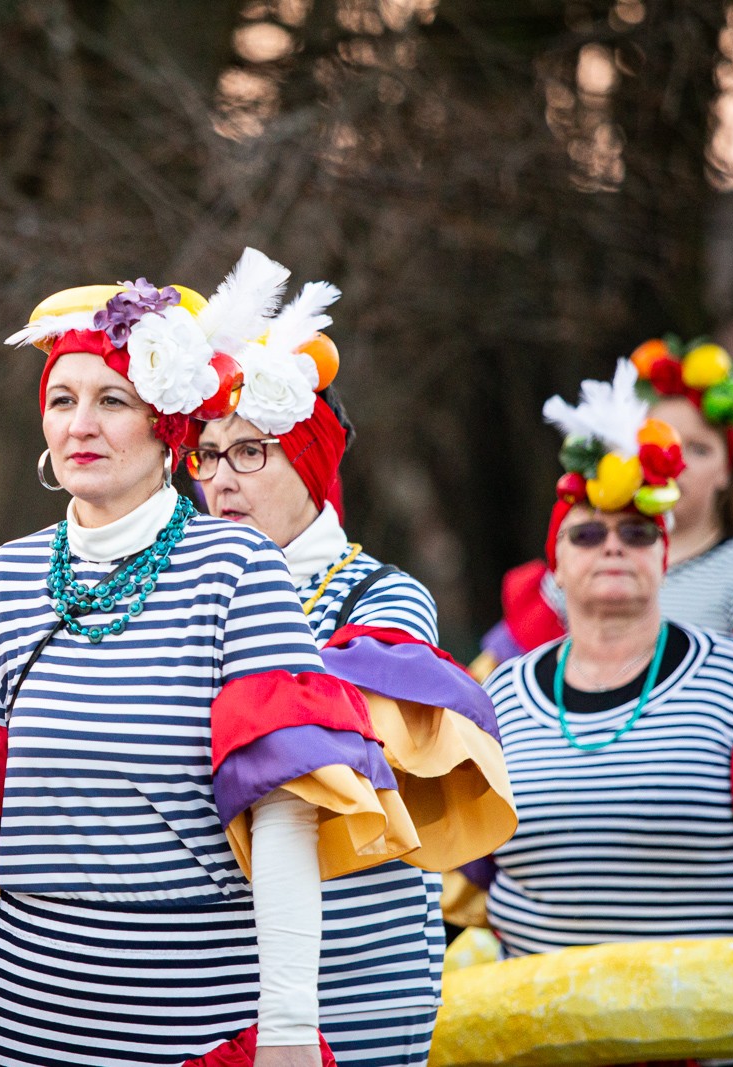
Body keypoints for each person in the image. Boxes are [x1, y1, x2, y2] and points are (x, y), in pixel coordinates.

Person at [0, 256, 437, 1067]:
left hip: (195, 1025)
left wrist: (289, 1025)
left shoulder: (236, 571)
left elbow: (286, 811)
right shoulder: (3, 580)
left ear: (168, 427)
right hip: (25, 1031)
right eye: (62, 401)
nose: (81, 424)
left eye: (113, 401)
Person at [449, 361, 733, 1065]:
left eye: (638, 532)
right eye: (587, 534)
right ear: (553, 567)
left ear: (666, 553)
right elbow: (453, 886)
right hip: (550, 1049)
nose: (613, 545)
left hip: (726, 1052)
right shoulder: (495, 700)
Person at [188, 276, 514, 1067]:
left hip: (354, 979)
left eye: (249, 451)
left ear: (310, 466)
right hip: (209, 981)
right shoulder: (186, 593)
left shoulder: (383, 596)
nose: (220, 477)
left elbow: (318, 754)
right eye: (204, 454)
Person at [472, 338, 733, 691]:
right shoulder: (583, 563)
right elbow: (490, 695)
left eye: (698, 450)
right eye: (661, 443)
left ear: (727, 469)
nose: (678, 464)